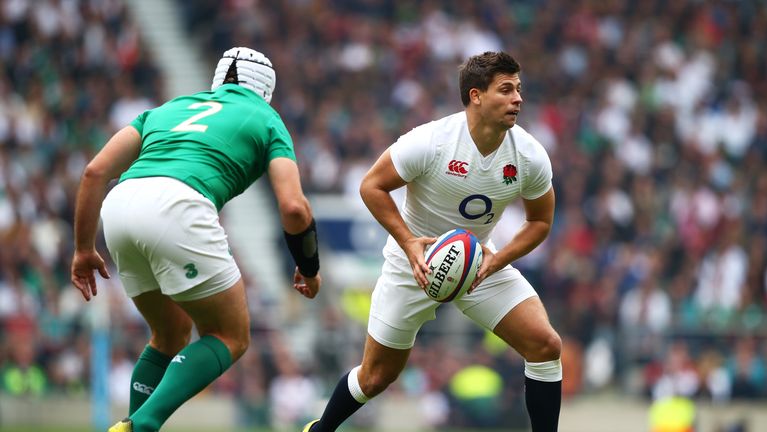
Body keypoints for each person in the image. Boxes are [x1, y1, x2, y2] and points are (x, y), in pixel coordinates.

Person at [304, 51, 561, 432]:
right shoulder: (431, 142)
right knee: (376, 377)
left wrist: (498, 259)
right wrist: (408, 243)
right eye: (505, 90)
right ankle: (320, 429)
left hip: (478, 264)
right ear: (476, 95)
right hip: (413, 265)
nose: (518, 99)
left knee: (546, 346)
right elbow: (372, 186)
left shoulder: (529, 156)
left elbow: (540, 221)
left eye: (519, 89)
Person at [70, 47, 322, 432]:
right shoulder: (268, 118)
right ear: (267, 91)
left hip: (120, 204)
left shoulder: (169, 108)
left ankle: (134, 425)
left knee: (169, 335)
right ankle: (141, 424)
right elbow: (293, 208)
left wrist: (84, 248)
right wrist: (309, 266)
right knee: (230, 335)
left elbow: (94, 172)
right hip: (179, 206)